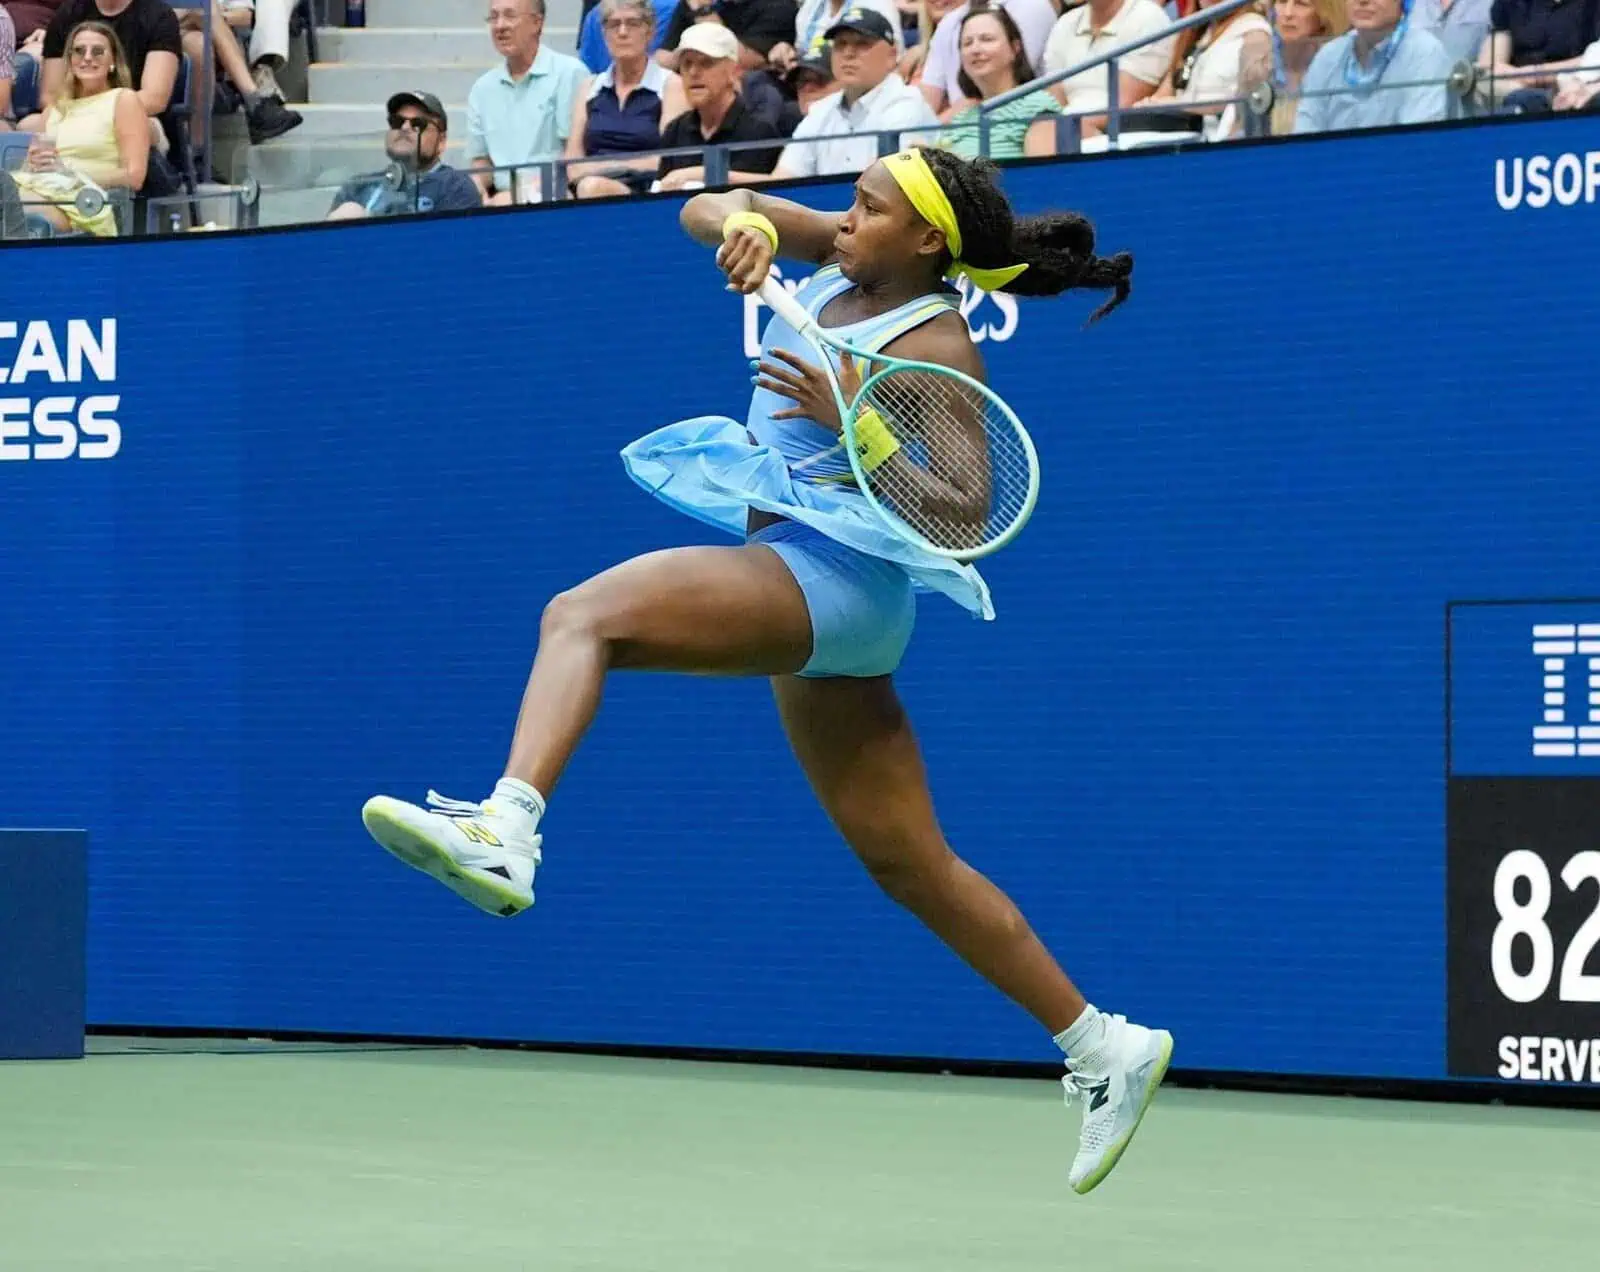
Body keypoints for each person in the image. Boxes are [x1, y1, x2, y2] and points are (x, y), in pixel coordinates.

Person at [360, 143, 1172, 1199]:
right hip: (815, 597)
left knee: (582, 616)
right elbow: (707, 207)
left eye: (869, 205)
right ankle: (1101, 1044)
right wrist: (739, 231)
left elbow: (968, 510)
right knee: (912, 867)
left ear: (924, 238)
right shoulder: (842, 254)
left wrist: (859, 426)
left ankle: (506, 828)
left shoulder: (933, 341)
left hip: (829, 578)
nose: (845, 215)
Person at [10, 18, 146, 233]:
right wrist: (33, 163)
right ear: (70, 60)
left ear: (113, 61)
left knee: (11, 205)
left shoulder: (124, 100)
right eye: (79, 51)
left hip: (85, 202)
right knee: (10, 198)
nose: (88, 58)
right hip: (42, 190)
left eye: (98, 51)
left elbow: (134, 176)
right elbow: (31, 169)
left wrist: (69, 173)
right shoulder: (54, 109)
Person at [770, 7, 936, 178]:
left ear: (891, 55)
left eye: (862, 44)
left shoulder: (907, 104)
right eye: (840, 44)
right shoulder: (821, 111)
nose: (848, 53)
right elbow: (783, 179)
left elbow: (887, 187)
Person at [565, 0, 687, 198]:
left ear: (650, 32)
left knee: (592, 188)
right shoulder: (589, 87)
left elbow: (669, 160)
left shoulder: (671, 85)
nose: (622, 32)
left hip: (647, 190)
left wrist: (609, 167)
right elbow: (572, 161)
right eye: (614, 25)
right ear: (604, 35)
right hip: (587, 186)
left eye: (632, 23)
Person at [326, 91, 480, 220]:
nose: (405, 128)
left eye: (418, 124)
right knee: (349, 211)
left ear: (441, 141)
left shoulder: (454, 187)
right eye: (397, 122)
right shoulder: (359, 186)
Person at [935, 2, 1061, 156]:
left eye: (987, 39)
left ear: (1014, 49)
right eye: (967, 43)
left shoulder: (1038, 107)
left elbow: (1040, 177)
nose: (975, 49)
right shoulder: (962, 117)